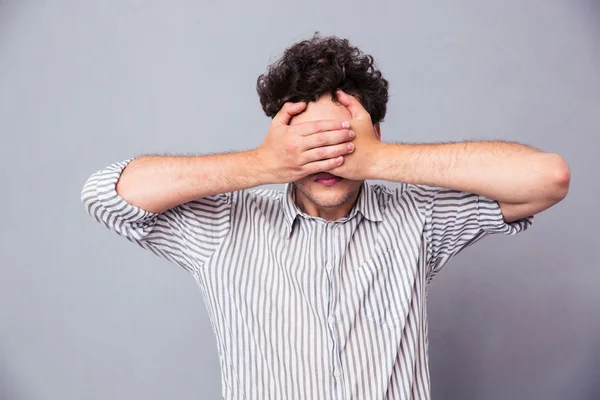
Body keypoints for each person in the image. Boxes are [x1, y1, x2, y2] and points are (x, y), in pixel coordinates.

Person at [81, 33, 570, 399]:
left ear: (374, 133)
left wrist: (378, 159)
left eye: (342, 140)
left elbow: (546, 178)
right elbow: (107, 194)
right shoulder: (223, 230)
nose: (327, 159)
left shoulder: (418, 218)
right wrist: (261, 164)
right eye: (310, 144)